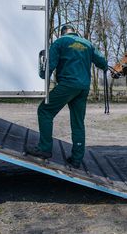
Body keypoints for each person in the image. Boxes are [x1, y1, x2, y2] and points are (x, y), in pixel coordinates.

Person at [26, 24, 108, 168]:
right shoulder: (87, 44)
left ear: (62, 33)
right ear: (74, 33)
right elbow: (103, 62)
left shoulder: (60, 42)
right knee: (78, 122)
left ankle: (44, 149)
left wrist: (42, 73)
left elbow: (48, 68)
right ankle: (76, 158)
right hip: (83, 88)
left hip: (68, 85)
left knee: (45, 111)